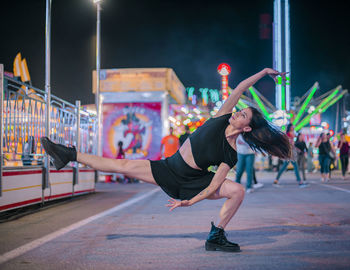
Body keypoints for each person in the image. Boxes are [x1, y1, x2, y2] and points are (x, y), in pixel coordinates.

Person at [40, 68, 291, 253]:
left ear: (247, 128)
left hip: (193, 182)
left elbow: (215, 185)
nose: (237, 112)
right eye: (240, 110)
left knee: (237, 190)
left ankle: (217, 235)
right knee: (121, 165)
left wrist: (190, 201)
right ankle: (67, 154)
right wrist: (263, 72)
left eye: (243, 115)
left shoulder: (231, 153)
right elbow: (239, 89)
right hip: (169, 168)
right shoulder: (221, 117)